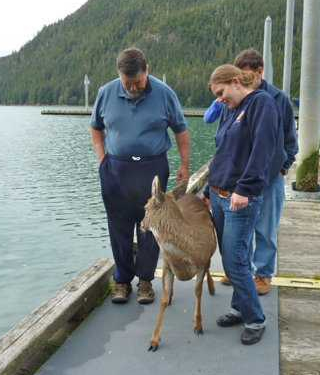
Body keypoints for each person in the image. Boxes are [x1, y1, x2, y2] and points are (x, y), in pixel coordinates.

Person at [90, 47, 190, 304]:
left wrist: (185, 164)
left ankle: (145, 281)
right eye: (128, 82)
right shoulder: (105, 93)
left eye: (138, 82)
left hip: (152, 169)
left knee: (150, 226)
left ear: (147, 71)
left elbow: (181, 130)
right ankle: (122, 281)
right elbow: (96, 128)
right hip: (116, 170)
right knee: (118, 226)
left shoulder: (165, 94)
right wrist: (102, 160)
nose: (133, 87)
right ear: (119, 75)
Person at [204, 49, 298, 295]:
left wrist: (282, 167)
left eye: (249, 76)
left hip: (268, 179)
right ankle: (240, 271)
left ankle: (263, 275)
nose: (245, 81)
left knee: (265, 229)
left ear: (260, 72)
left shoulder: (277, 99)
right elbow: (223, 139)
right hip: (237, 178)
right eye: (240, 76)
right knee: (239, 229)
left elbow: (289, 140)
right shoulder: (232, 100)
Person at [206, 64, 286, 345]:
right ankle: (239, 309)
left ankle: (256, 319)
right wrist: (208, 188)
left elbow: (263, 150)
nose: (220, 99)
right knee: (230, 260)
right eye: (217, 95)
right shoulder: (230, 109)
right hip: (218, 193)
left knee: (236, 260)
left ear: (237, 81)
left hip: (240, 198)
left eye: (222, 92)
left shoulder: (261, 104)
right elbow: (223, 152)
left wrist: (245, 188)